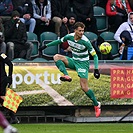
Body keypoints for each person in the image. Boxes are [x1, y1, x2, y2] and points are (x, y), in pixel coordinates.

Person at [39, 22, 101, 117]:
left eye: (83, 31)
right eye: (80, 31)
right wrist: (46, 46)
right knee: (56, 57)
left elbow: (95, 56)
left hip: (83, 64)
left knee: (84, 87)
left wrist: (96, 69)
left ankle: (96, 104)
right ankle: (66, 75)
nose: (81, 33)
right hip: (74, 61)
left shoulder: (85, 41)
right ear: (75, 30)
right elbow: (59, 41)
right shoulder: (69, 37)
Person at [0, 52, 19, 124]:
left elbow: (10, 64)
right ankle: (13, 117)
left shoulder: (1, 54)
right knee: (1, 99)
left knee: (2, 97)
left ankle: (13, 116)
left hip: (1, 80)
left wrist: (10, 77)